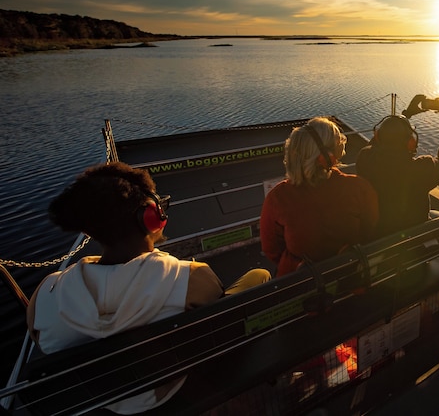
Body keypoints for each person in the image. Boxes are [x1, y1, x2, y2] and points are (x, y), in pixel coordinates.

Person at [26, 162, 271, 414]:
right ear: (152, 217)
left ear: (89, 229)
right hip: (173, 392)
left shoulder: (46, 296)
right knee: (259, 275)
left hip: (98, 401)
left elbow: (43, 344)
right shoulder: (190, 278)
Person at [260, 116, 379, 277]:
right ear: (329, 157)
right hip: (350, 280)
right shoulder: (359, 188)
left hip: (297, 285)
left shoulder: (277, 198)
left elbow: (272, 250)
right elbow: (370, 231)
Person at [356, 94, 439, 236]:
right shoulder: (421, 169)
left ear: (377, 136)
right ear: (411, 143)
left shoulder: (365, 158)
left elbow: (377, 142)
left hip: (378, 234)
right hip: (414, 237)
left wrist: (405, 115)